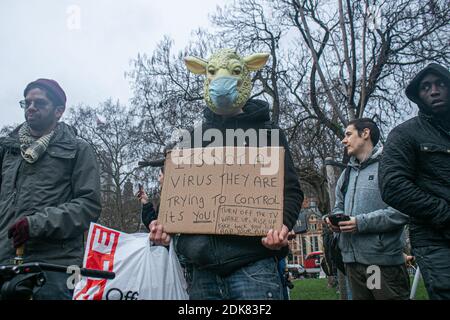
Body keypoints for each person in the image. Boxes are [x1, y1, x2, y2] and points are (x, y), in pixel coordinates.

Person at [150, 49, 303, 300]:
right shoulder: (191, 140)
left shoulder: (269, 134)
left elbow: (291, 190)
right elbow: (178, 195)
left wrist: (281, 226)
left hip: (254, 265)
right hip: (201, 273)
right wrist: (162, 222)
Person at [0, 79, 101, 299]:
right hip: (5, 261)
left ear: (59, 111)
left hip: (55, 266)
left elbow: (88, 206)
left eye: (39, 103)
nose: (31, 108)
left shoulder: (79, 150)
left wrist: (34, 225)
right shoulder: (7, 150)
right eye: (26, 103)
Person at [379, 63, 450, 300]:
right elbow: (392, 185)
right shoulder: (405, 134)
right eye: (426, 87)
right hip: (436, 239)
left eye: (441, 84)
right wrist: (443, 212)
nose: (434, 91)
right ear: (418, 95)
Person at [324, 118, 410, 300]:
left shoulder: (388, 168)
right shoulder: (346, 174)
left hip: (378, 266)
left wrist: (360, 223)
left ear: (365, 134)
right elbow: (339, 206)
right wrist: (333, 220)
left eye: (348, 134)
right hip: (351, 264)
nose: (343, 140)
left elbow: (401, 211)